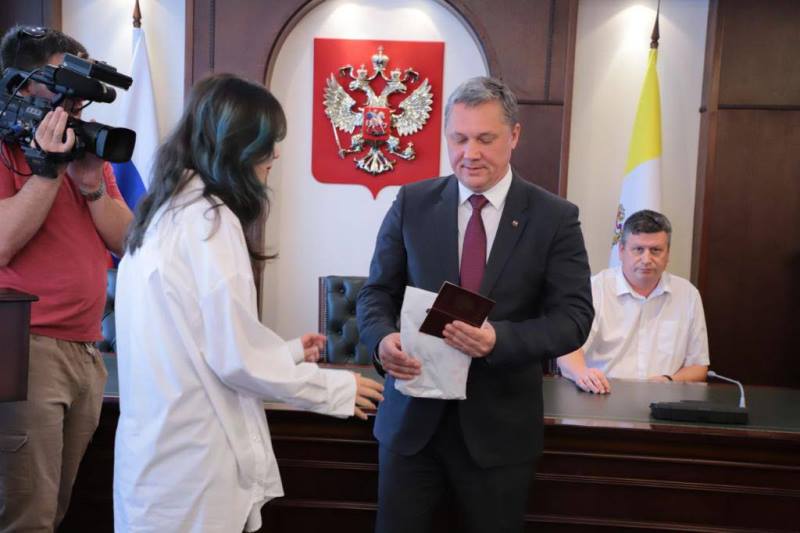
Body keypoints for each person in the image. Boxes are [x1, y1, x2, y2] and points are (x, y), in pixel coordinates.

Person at [112, 73, 384, 533]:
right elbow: (236, 359)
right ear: (235, 147)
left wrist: (288, 352)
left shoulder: (161, 213)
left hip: (156, 461)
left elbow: (196, 341)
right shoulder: (210, 221)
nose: (274, 156)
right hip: (195, 464)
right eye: (267, 144)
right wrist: (335, 390)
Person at [357, 76, 594, 533]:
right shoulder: (412, 203)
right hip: (411, 428)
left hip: (500, 436)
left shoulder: (554, 218)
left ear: (514, 136)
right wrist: (381, 340)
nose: (470, 153)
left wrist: (498, 341)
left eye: (486, 139)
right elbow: (376, 294)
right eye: (459, 138)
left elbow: (574, 318)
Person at [0, 26, 133, 532]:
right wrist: (48, 169)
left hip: (86, 352)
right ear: (20, 82)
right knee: (26, 517)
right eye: (61, 83)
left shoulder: (83, 148)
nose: (74, 102)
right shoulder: (8, 149)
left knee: (54, 510)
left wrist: (93, 184)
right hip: (26, 351)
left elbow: (129, 242)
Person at [557, 210, 710, 394]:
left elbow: (698, 366)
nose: (646, 260)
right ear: (621, 251)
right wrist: (583, 374)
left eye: (656, 250)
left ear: (668, 254)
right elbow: (567, 351)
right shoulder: (595, 289)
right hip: (601, 395)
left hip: (663, 398)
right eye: (638, 249)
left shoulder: (687, 294)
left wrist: (669, 380)